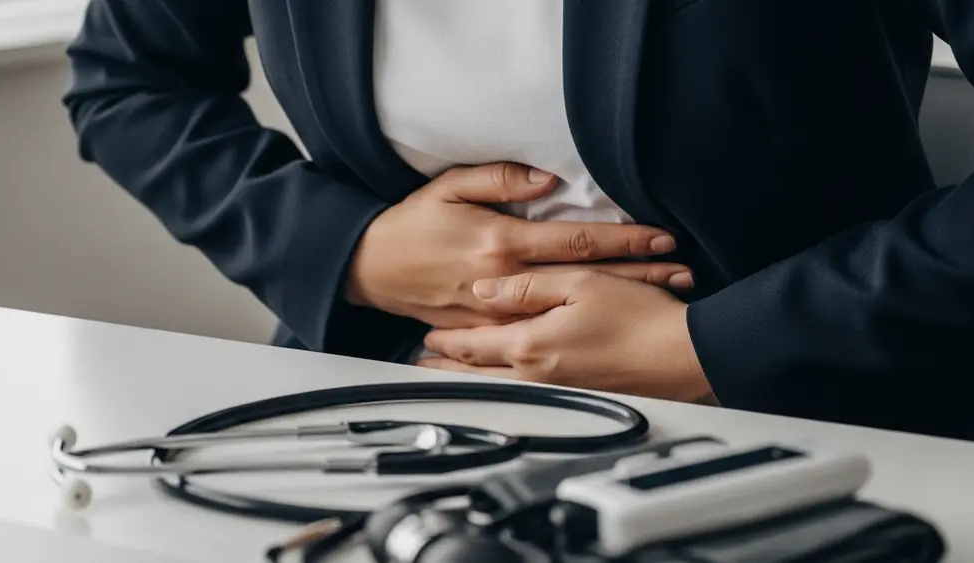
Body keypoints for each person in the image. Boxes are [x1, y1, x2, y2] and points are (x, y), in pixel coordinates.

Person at [62, 0, 974, 440]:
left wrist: (717, 346)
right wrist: (352, 251)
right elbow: (129, 80)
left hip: (820, 418)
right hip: (388, 412)